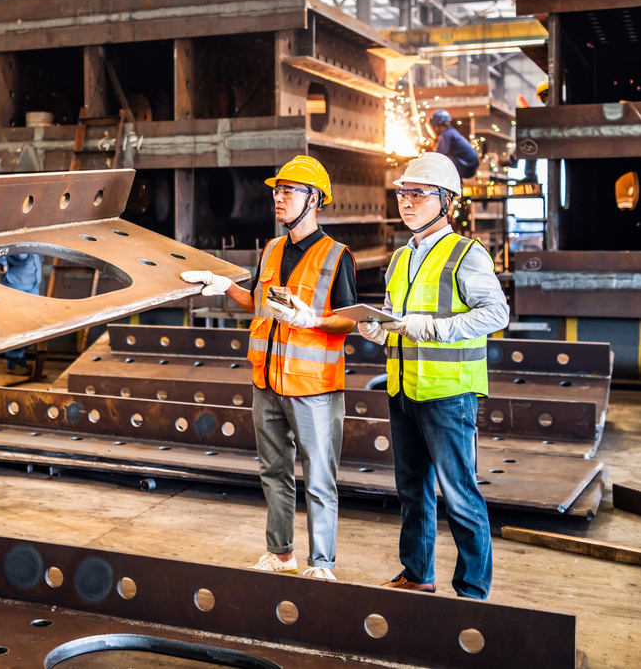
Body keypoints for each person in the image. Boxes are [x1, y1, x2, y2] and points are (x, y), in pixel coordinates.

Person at [181, 155, 356, 581]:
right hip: (267, 381)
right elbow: (260, 302)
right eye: (276, 191)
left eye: (288, 191)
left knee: (319, 478)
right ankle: (281, 554)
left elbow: (351, 318)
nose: (278, 198)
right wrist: (225, 287)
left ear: (313, 199)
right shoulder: (273, 249)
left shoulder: (336, 256)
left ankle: (322, 564)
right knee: (274, 472)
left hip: (312, 387)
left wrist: (312, 320)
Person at [357, 152, 508, 600]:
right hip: (404, 388)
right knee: (412, 490)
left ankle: (473, 592)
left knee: (460, 494)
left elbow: (496, 312)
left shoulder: (466, 253)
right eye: (403, 193)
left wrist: (435, 328)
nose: (407, 202)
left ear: (446, 201)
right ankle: (417, 573)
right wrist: (376, 327)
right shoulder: (402, 257)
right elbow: (399, 319)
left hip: (448, 394)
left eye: (418, 194)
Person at [0, 253, 42, 375]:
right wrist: (2, 262)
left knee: (33, 323)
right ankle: (14, 361)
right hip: (16, 283)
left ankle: (18, 358)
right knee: (17, 324)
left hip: (32, 282)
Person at [427, 109, 480, 180]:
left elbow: (440, 155)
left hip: (466, 165)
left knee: (442, 161)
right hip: (470, 164)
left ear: (438, 125)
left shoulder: (446, 134)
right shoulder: (451, 132)